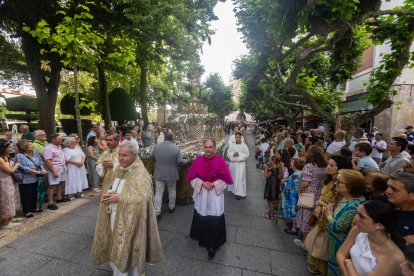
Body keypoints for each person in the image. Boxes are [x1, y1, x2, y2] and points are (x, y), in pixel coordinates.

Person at [92, 143, 163, 275]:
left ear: (134, 156)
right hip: (113, 214)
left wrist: (121, 198)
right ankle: (117, 271)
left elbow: (145, 197)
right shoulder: (119, 169)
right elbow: (112, 185)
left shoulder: (141, 173)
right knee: (115, 245)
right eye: (119, 154)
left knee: (128, 248)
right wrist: (108, 193)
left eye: (124, 155)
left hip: (131, 219)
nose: (120, 158)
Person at [187, 139, 233, 259]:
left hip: (214, 195)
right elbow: (192, 178)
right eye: (206, 147)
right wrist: (201, 183)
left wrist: (214, 185)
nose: (208, 149)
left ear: (214, 148)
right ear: (204, 148)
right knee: (202, 215)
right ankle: (201, 237)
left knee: (213, 218)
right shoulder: (198, 161)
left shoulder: (220, 161)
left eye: (210, 147)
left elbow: (226, 180)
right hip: (202, 194)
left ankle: (212, 245)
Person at [306, 155, 352, 275]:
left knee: (325, 245)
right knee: (319, 241)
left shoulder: (342, 186)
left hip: (329, 217)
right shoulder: (328, 180)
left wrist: (320, 203)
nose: (328, 167)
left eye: (332, 165)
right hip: (321, 215)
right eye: (328, 164)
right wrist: (319, 205)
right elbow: (323, 193)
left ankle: (323, 270)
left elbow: (336, 204)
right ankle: (316, 265)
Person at [336, 201, 405, 276]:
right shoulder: (357, 230)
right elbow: (340, 254)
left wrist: (348, 264)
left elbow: (343, 257)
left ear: (380, 225)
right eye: (357, 213)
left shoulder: (394, 257)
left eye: (362, 216)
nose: (355, 218)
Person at [325, 169, 366, 275]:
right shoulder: (345, 198)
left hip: (341, 247)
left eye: (339, 181)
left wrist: (329, 215)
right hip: (334, 244)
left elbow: (338, 226)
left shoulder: (354, 205)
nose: (335, 183)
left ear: (351, 186)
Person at [295, 145, 328, 249]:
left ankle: (305, 243)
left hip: (308, 194)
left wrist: (299, 190)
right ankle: (312, 242)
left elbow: (305, 183)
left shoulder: (309, 166)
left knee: (306, 218)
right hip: (319, 194)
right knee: (314, 218)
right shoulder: (324, 166)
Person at [151, 132, 187, 220]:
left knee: (158, 192)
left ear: (164, 138)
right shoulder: (176, 148)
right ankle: (171, 207)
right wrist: (186, 161)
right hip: (171, 174)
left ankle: (157, 212)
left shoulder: (157, 147)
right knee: (172, 190)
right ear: (172, 138)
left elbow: (152, 157)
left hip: (159, 173)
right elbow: (179, 162)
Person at [15, 140, 47, 218]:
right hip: (25, 179)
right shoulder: (19, 155)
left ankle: (33, 207)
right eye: (29, 145)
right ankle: (27, 211)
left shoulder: (35, 152)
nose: (32, 146)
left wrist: (42, 169)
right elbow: (21, 167)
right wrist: (36, 171)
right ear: (24, 147)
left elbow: (40, 161)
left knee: (34, 193)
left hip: (35, 177)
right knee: (26, 195)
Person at [385, 172, 414, 245]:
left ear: (412, 195)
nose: (387, 191)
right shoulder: (380, 205)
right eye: (388, 187)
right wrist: (400, 240)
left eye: (394, 189)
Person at [42, 133, 67, 210]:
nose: (61, 140)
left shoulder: (59, 146)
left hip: (61, 168)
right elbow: (47, 161)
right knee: (52, 186)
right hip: (54, 169)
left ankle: (59, 198)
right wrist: (53, 171)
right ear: (53, 140)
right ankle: (50, 202)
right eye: (59, 139)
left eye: (61, 139)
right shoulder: (48, 148)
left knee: (60, 183)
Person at [0, 140, 21, 229]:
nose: (11, 148)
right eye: (9, 147)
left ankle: (9, 220)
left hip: (9, 181)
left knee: (11, 200)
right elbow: (10, 170)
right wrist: (17, 164)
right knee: (6, 201)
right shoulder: (0, 159)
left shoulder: (6, 156)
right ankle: (5, 223)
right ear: (3, 148)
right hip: (4, 182)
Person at [282, 157, 305, 234]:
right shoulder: (299, 173)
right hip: (295, 195)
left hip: (293, 196)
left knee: (293, 211)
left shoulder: (296, 174)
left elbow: (292, 185)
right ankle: (294, 226)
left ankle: (294, 228)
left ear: (295, 164)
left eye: (292, 162)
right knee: (294, 210)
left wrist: (286, 187)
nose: (290, 163)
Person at [227, 132, 249, 200]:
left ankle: (240, 193)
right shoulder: (232, 145)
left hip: (241, 164)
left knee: (240, 178)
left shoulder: (244, 145)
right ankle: (235, 191)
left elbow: (247, 154)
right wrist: (233, 154)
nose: (237, 138)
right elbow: (228, 153)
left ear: (241, 137)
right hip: (233, 165)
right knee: (234, 178)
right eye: (236, 137)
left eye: (238, 137)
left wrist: (239, 154)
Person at [263, 154, 284, 219]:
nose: (269, 161)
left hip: (271, 186)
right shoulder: (277, 168)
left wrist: (265, 169)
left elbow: (266, 176)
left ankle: (271, 214)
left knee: (270, 200)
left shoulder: (272, 170)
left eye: (270, 160)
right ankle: (270, 212)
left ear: (272, 161)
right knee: (270, 200)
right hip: (274, 186)